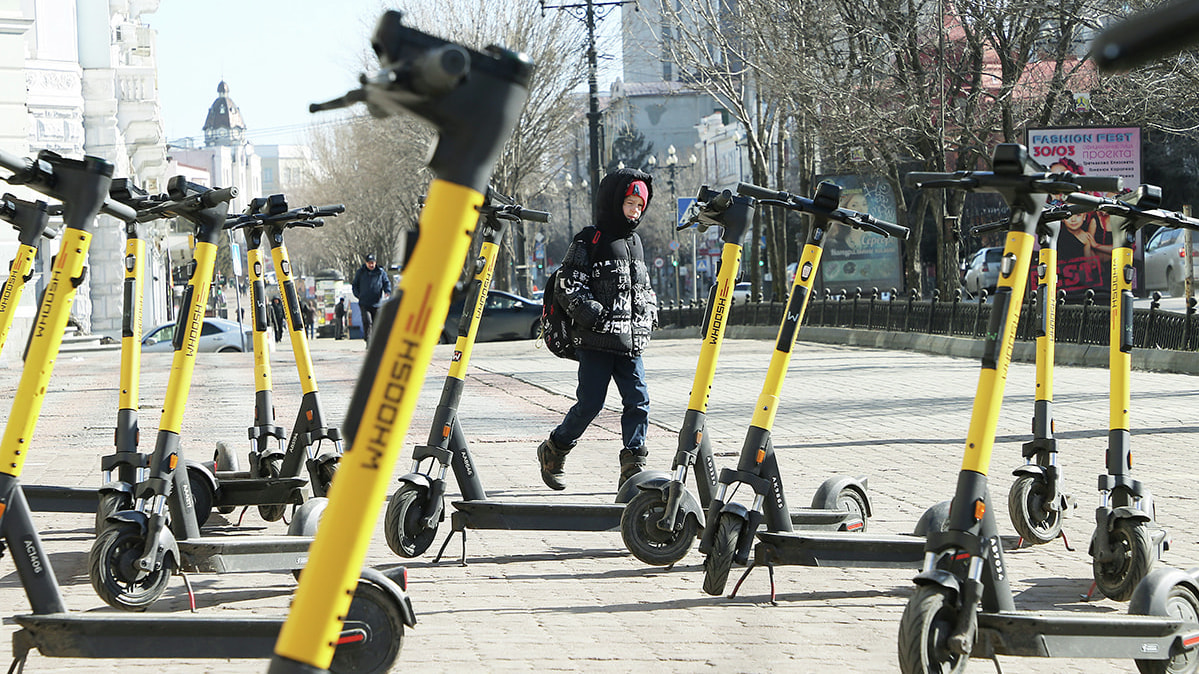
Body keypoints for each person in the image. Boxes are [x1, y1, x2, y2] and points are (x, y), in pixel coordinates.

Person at [537, 167, 658, 491]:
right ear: (614, 200)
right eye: (630, 203)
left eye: (639, 207)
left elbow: (644, 289)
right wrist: (594, 314)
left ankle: (633, 465)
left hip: (629, 343)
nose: (634, 211)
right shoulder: (589, 238)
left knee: (639, 401)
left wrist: (648, 318)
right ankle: (555, 449)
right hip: (595, 340)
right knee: (590, 403)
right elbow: (568, 283)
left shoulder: (636, 243)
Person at [351, 253, 392, 344]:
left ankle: (376, 342)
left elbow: (386, 283)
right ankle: (368, 341)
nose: (371, 265)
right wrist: (359, 295)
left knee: (376, 323)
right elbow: (355, 285)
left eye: (373, 263)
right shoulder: (361, 272)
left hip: (377, 303)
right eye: (369, 263)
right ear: (366, 263)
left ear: (375, 262)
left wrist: (387, 291)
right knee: (367, 322)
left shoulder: (380, 272)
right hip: (364, 303)